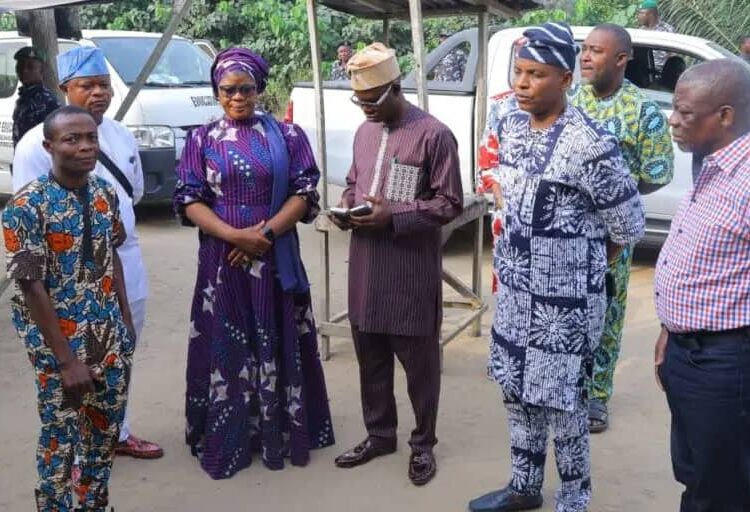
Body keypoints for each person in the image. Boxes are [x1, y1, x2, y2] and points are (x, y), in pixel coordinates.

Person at [468, 23, 645, 512]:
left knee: (563, 407)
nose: (523, 84)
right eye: (519, 72)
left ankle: (573, 499)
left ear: (566, 79)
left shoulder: (589, 144)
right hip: (516, 296)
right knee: (517, 394)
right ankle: (524, 487)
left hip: (565, 308)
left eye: (537, 75)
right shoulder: (510, 124)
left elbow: (627, 225)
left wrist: (580, 271)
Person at [174, 47, 335, 479]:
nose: (237, 97)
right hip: (221, 260)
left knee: (275, 332)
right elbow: (189, 198)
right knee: (226, 337)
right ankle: (229, 435)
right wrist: (233, 236)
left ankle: (279, 431)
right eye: (228, 90)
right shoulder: (200, 139)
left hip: (274, 254)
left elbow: (304, 193)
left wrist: (262, 237)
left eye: (246, 89)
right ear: (216, 91)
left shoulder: (288, 136)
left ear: (260, 88)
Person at [12, 47, 162, 460]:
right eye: (87, 85)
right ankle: (78, 446)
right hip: (67, 276)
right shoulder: (33, 146)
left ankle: (117, 431)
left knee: (121, 350)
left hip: (123, 258)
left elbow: (134, 193)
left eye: (103, 85)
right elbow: (30, 231)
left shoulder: (119, 134)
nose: (98, 93)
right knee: (74, 362)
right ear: (65, 89)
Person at [330, 42, 463, 486]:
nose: (365, 108)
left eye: (373, 99)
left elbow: (449, 203)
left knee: (420, 367)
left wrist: (397, 214)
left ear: (395, 87)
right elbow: (354, 181)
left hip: (409, 273)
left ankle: (423, 444)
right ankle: (379, 434)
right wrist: (347, 205)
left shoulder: (434, 135)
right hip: (366, 269)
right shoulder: (364, 133)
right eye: (359, 101)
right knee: (370, 360)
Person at [3, 105, 135, 511]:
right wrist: (65, 362)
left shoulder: (104, 193)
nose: (84, 147)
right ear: (49, 146)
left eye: (90, 138)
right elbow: (30, 283)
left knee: (103, 434)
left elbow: (111, 254)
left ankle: (94, 504)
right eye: (71, 139)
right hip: (58, 345)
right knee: (60, 438)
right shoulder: (26, 206)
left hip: (108, 336)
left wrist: (125, 323)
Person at [654, 59, 750, 512]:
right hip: (687, 351)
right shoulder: (709, 164)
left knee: (722, 489)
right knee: (694, 472)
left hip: (726, 361)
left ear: (725, 116)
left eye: (685, 112)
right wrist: (670, 329)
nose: (672, 119)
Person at [570, 23, 674, 433]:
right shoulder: (570, 99)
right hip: (566, 228)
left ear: (621, 59)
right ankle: (567, 385)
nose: (586, 57)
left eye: (596, 51)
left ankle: (597, 398)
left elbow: (660, 171)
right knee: (568, 308)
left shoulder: (641, 111)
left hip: (612, 233)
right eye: (584, 50)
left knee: (607, 314)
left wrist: (618, 195)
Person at [12, 46, 60, 148]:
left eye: (30, 67)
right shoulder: (23, 99)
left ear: (41, 70)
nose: (24, 71)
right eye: (20, 66)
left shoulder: (48, 102)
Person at [636, 0, 674, 70]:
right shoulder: (640, 31)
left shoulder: (666, 30)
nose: (639, 16)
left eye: (642, 13)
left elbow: (672, 54)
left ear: (651, 14)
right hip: (644, 72)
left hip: (661, 72)